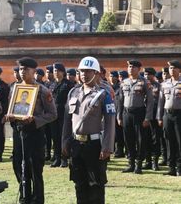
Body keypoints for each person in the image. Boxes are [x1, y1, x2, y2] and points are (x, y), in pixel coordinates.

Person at [62, 56, 116, 204]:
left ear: (97, 74)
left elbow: (110, 122)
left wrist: (107, 147)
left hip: (94, 145)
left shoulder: (104, 94)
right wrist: (64, 141)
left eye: (88, 71)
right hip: (76, 145)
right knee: (79, 184)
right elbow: (67, 120)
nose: (84, 75)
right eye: (81, 71)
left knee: (95, 186)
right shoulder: (73, 92)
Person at [5, 57, 57, 204]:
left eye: (26, 69)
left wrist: (36, 119)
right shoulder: (15, 89)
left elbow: (52, 114)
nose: (22, 72)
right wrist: (10, 116)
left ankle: (38, 199)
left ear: (34, 71)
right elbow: (12, 108)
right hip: (19, 132)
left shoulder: (42, 90)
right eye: (21, 69)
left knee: (35, 169)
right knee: (19, 166)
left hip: (35, 133)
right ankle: (24, 197)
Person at [118, 60, 154, 174]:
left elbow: (150, 101)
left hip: (139, 113)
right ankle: (131, 163)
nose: (130, 69)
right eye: (129, 66)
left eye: (133, 67)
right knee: (128, 139)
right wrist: (119, 116)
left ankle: (139, 164)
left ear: (139, 69)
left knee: (140, 139)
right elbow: (120, 100)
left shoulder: (144, 82)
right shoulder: (124, 82)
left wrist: (147, 118)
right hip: (126, 113)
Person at [157, 60, 181, 176]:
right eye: (170, 68)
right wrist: (159, 117)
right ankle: (171, 167)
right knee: (169, 141)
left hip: (179, 115)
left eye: (174, 68)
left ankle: (179, 167)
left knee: (179, 141)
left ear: (179, 70)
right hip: (167, 115)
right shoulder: (165, 84)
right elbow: (160, 102)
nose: (171, 70)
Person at [50, 63, 74, 168]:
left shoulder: (68, 84)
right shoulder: (51, 84)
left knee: (64, 136)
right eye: (55, 71)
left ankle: (65, 158)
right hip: (53, 114)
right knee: (55, 136)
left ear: (63, 72)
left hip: (64, 113)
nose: (56, 72)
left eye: (58, 70)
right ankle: (57, 158)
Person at [143, 67, 162, 170]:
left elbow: (160, 102)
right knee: (145, 139)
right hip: (144, 116)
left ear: (153, 75)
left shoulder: (158, 86)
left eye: (148, 74)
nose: (146, 76)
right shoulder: (143, 85)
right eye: (145, 74)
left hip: (155, 116)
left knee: (155, 139)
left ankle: (155, 161)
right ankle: (148, 161)